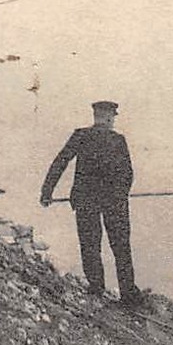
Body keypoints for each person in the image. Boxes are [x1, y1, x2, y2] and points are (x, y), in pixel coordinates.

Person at [40, 100, 141, 305]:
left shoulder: (81, 136)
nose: (112, 121)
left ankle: (96, 288)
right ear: (108, 117)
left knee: (90, 245)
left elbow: (60, 162)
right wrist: (120, 194)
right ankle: (128, 295)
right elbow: (128, 174)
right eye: (112, 117)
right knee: (121, 248)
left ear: (96, 117)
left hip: (85, 199)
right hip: (115, 203)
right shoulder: (119, 141)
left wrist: (47, 192)